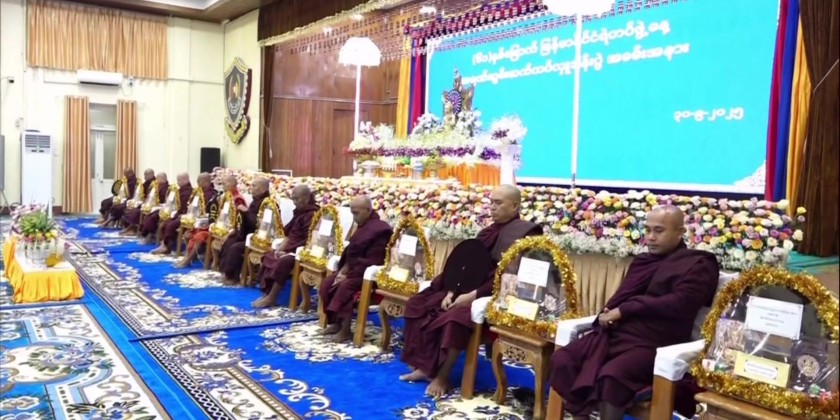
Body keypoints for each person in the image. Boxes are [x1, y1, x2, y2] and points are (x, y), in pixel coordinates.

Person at [548, 205, 719, 420]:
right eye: (647, 230)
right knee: (564, 359)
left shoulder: (699, 263)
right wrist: (609, 314)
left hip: (657, 342)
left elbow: (681, 303)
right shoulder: (643, 261)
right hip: (618, 334)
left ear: (680, 232)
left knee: (611, 377)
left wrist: (625, 310)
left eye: (659, 231)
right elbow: (623, 296)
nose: (651, 237)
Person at [399, 185, 542, 397]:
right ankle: (425, 367)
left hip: (497, 293)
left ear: (515, 206)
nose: (492, 207)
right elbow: (467, 263)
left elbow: (511, 276)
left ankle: (442, 376)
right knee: (419, 302)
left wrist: (473, 295)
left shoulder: (526, 234)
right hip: (466, 287)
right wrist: (452, 289)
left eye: (498, 203)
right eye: (491, 202)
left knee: (455, 318)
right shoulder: (487, 232)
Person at [318, 196, 392, 343]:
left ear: (368, 210)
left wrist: (348, 275)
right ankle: (336, 323)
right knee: (327, 283)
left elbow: (374, 259)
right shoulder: (363, 226)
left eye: (356, 213)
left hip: (367, 274)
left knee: (345, 287)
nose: (354, 217)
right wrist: (342, 271)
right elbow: (351, 254)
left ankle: (345, 330)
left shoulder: (380, 230)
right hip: (353, 270)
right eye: (352, 213)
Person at [252, 184, 319, 308]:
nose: (294, 202)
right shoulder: (299, 212)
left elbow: (309, 239)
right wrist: (280, 249)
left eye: (297, 199)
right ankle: (266, 293)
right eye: (293, 199)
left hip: (301, 251)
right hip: (290, 248)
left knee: (284, 262)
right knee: (269, 255)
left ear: (306, 198)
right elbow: (289, 234)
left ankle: (272, 297)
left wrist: (289, 252)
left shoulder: (313, 214)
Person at [174, 175, 244, 268]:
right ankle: (187, 258)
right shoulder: (223, 196)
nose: (223, 185)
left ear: (233, 183)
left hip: (229, 230)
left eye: (225, 183)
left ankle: (188, 260)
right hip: (218, 227)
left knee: (200, 235)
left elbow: (239, 221)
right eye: (222, 183)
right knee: (192, 231)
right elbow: (215, 214)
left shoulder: (237, 199)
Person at [217, 177, 270, 285]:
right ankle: (225, 273)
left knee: (235, 248)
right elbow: (243, 221)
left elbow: (261, 225)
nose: (251, 188)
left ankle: (233, 277)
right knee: (229, 241)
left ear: (263, 189)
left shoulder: (268, 204)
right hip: (246, 233)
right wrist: (234, 231)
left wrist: (246, 212)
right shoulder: (255, 201)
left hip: (258, 238)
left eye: (254, 185)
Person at [150, 173, 193, 254]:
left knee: (170, 224)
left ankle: (166, 246)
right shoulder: (180, 190)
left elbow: (184, 207)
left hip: (186, 215)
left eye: (179, 180)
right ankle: (165, 245)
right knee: (165, 223)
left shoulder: (188, 191)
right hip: (178, 213)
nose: (177, 182)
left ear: (185, 180)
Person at [119, 169, 156, 235]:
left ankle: (132, 229)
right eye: (144, 174)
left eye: (147, 174)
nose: (145, 176)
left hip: (152, 205)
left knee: (135, 212)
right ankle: (130, 228)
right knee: (130, 209)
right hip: (144, 202)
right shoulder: (145, 184)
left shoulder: (155, 184)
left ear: (152, 174)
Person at [137, 173, 170, 244]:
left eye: (157, 179)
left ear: (163, 179)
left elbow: (165, 201)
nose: (156, 180)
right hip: (156, 207)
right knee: (148, 215)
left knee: (153, 217)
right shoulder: (157, 186)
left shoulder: (168, 188)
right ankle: (147, 234)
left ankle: (149, 235)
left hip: (163, 208)